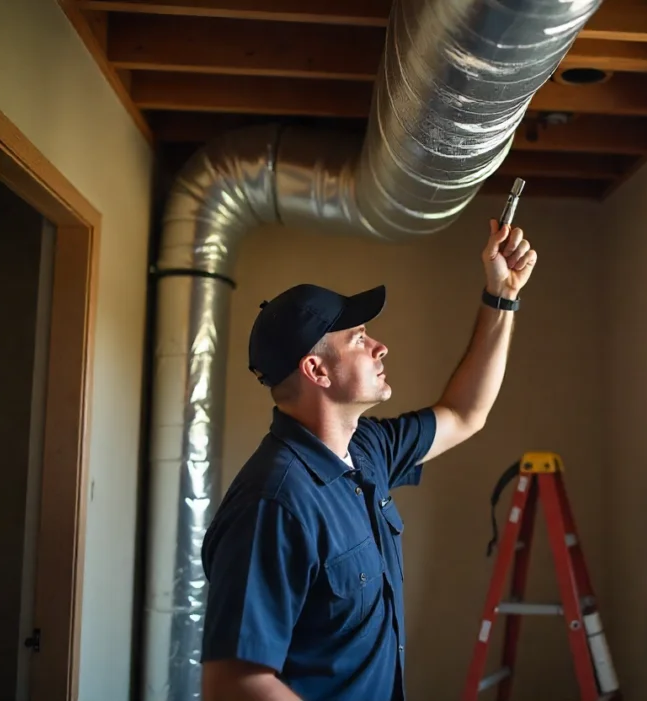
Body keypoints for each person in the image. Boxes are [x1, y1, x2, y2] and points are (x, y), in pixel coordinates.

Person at [199, 218, 538, 701]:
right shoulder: (272, 505)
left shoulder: (365, 450)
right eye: (358, 338)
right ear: (315, 369)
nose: (380, 347)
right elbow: (233, 685)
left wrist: (501, 296)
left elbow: (465, 413)